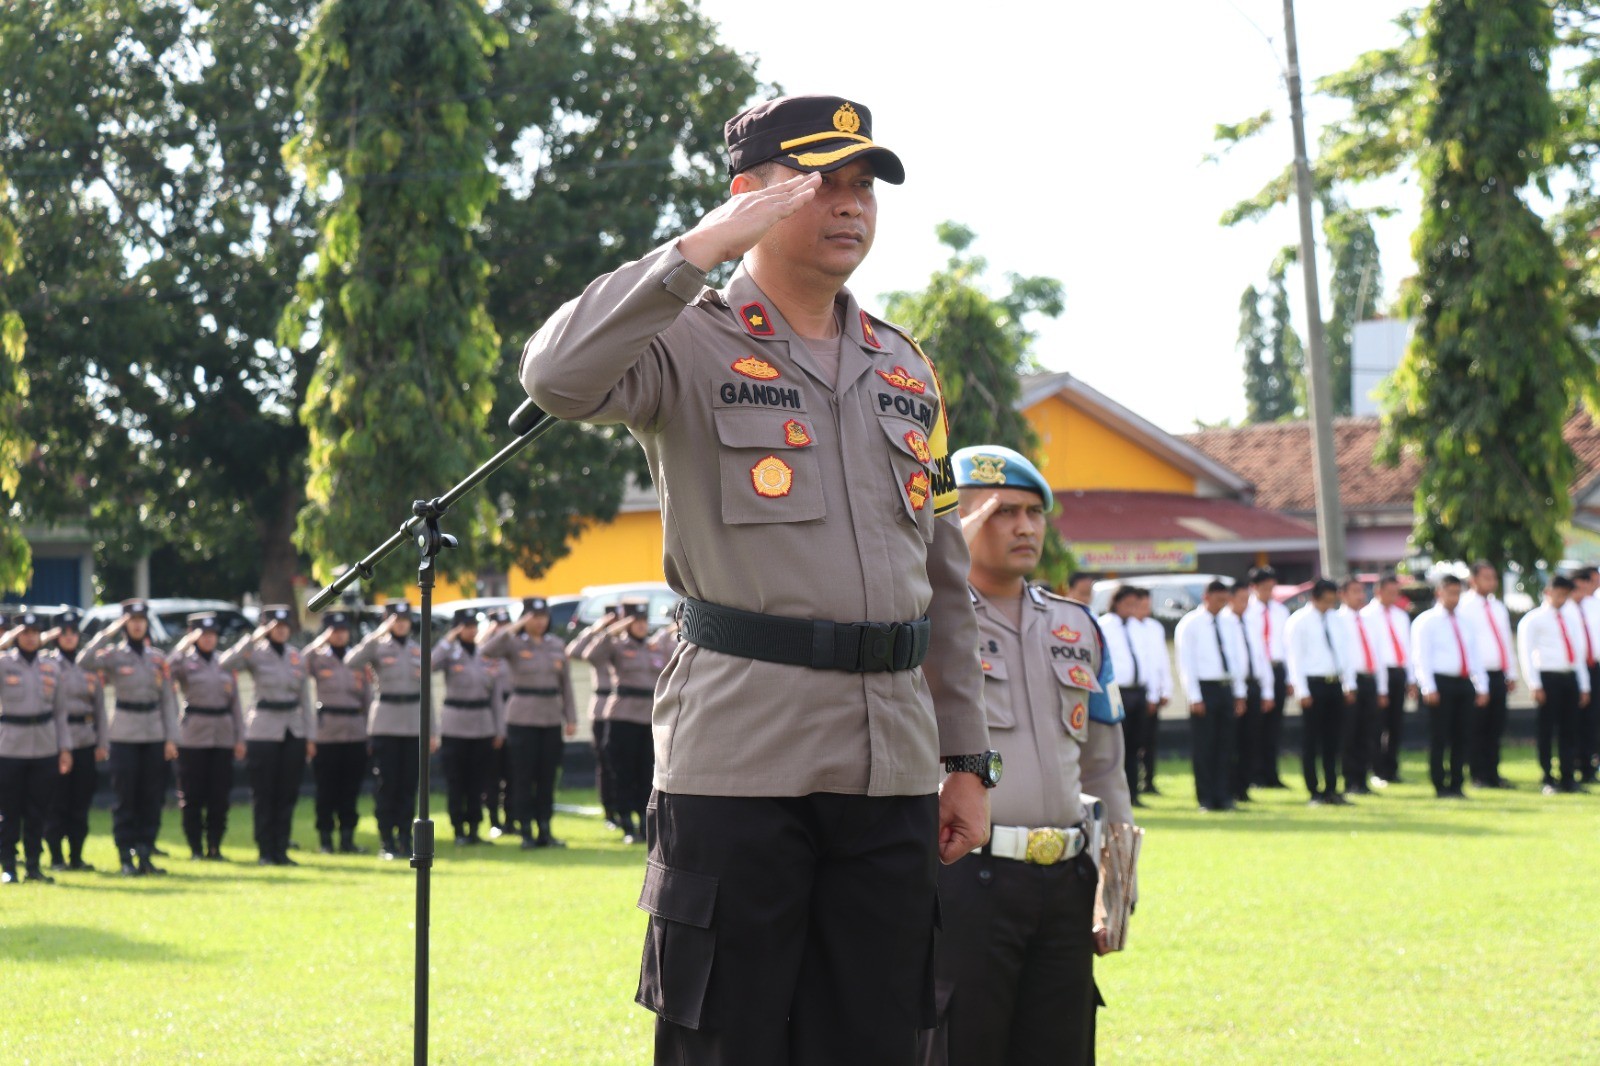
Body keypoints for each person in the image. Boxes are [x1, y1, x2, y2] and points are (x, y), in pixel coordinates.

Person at [521, 92, 991, 1065]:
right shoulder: (685, 339)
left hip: (892, 760)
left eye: (863, 184)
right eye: (819, 182)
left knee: (879, 1038)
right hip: (741, 757)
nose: (849, 204)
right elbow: (555, 376)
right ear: (750, 195)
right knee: (723, 1039)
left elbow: (944, 578)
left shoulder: (905, 370)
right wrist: (694, 249)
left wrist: (967, 758)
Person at [922, 446, 1130, 1066]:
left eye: (1035, 512)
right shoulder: (921, 620)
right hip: (965, 881)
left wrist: (1115, 891)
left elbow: (1106, 768)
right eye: (1002, 511)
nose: (1025, 527)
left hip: (1066, 883)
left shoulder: (1079, 629)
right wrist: (935, 556)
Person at [82, 599, 179, 876]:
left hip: (154, 732)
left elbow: (168, 701)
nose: (137, 625)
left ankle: (146, 854)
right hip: (124, 734)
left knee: (151, 797)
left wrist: (171, 738)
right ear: (125, 624)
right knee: (126, 797)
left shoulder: (158, 658)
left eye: (141, 620)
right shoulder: (114, 655)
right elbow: (84, 660)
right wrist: (108, 632)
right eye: (131, 621)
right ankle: (126, 856)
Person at [220, 604, 314, 866]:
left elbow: (305, 699)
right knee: (264, 793)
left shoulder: (296, 656)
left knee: (287, 792)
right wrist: (255, 637)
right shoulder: (255, 654)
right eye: (275, 627)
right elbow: (225, 663)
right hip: (263, 730)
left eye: (285, 627)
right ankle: (265, 850)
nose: (281, 631)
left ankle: (281, 848)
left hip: (293, 729)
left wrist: (310, 735)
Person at [482, 597, 578, 848]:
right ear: (525, 618)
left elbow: (566, 685)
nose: (540, 621)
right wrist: (514, 627)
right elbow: (487, 649)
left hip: (550, 716)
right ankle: (525, 828)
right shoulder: (513, 643)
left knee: (547, 776)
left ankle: (544, 828)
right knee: (523, 776)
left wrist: (571, 717)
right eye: (534, 616)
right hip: (522, 717)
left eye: (543, 616)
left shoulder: (556, 645)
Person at [571, 600, 665, 844]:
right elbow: (589, 655)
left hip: (648, 718)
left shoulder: (653, 648)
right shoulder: (616, 646)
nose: (642, 627)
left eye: (645, 622)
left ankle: (645, 823)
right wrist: (608, 631)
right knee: (622, 772)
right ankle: (625, 822)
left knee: (646, 772)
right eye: (636, 622)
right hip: (622, 716)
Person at [347, 603, 432, 859]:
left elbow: (427, 692)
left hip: (412, 723)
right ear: (387, 621)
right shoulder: (378, 646)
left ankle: (406, 838)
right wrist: (377, 634)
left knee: (408, 786)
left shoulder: (418, 649)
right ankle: (387, 841)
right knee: (387, 784)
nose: (402, 624)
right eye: (396, 619)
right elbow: (351, 661)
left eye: (405, 619)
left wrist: (432, 731)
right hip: (386, 722)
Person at [0, 609, 73, 884]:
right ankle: (8, 866)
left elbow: (60, 713)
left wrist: (64, 749)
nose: (30, 638)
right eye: (25, 633)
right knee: (9, 811)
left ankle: (33, 865)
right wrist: (7, 639)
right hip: (10, 746)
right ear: (17, 635)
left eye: (34, 633)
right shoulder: (5, 662)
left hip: (44, 745)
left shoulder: (51, 667)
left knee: (37, 810)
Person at [167, 613, 246, 861]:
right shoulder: (185, 662)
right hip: (193, 737)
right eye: (204, 635)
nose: (210, 640)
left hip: (222, 735)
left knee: (219, 796)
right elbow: (166, 669)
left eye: (213, 635)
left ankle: (215, 846)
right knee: (192, 795)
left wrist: (239, 738)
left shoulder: (224, 663)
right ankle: (195, 848)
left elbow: (235, 704)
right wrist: (184, 644)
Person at [1411, 575, 1489, 799]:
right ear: (1439, 593)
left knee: (1462, 736)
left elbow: (1475, 656)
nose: (1455, 598)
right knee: (1440, 736)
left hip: (1463, 683)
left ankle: (1457, 782)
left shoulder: (1465, 622)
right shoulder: (1426, 621)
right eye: (1450, 592)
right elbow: (1421, 657)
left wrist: (1481, 686)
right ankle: (1439, 783)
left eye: (1458, 593)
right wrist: (1428, 686)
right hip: (1440, 683)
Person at [433, 608, 506, 846]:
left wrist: (499, 728)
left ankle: (474, 828)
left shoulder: (485, 654)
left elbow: (495, 694)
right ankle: (458, 830)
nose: (471, 631)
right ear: (456, 628)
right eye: (465, 626)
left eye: (474, 626)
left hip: (482, 724)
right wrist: (447, 640)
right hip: (455, 726)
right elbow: (429, 664)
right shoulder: (449, 654)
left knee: (478, 782)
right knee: (457, 781)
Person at [42, 610, 106, 872]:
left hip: (84, 739)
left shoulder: (88, 667)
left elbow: (100, 709)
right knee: (56, 802)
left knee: (80, 801)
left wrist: (103, 742)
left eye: (73, 632)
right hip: (54, 742)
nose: (69, 638)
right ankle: (57, 857)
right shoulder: (46, 664)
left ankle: (76, 856)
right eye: (63, 632)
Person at [1175, 581, 1247, 812]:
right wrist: (1194, 696)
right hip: (1204, 689)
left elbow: (1236, 658)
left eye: (1224, 599)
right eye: (1217, 599)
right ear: (1206, 597)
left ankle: (1224, 795)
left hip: (1226, 687)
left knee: (1227, 745)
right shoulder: (1190, 624)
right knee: (1204, 745)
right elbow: (1186, 663)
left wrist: (1239, 693)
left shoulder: (1230, 622)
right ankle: (1205, 797)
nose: (1221, 604)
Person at [302, 611, 370, 854]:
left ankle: (348, 839)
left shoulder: (357, 659)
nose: (340, 635)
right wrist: (320, 641)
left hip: (355, 730)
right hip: (327, 733)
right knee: (326, 789)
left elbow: (368, 698)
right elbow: (298, 663)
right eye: (334, 631)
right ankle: (326, 840)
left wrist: (369, 732)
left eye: (343, 631)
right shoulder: (318, 657)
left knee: (350, 789)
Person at [1517, 576, 1590, 794]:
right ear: (1548, 592)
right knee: (1547, 729)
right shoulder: (1533, 619)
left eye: (1565, 595)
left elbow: (1577, 653)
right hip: (1547, 678)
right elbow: (1526, 654)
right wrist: (1534, 684)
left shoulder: (1570, 617)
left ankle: (1568, 776)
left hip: (1569, 677)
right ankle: (1548, 776)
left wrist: (1584, 685)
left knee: (1570, 729)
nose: (1562, 599)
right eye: (1558, 594)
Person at [1286, 580, 1356, 806]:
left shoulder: (1337, 620)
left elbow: (1346, 653)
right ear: (1314, 598)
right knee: (1311, 741)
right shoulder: (1299, 621)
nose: (1330, 604)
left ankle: (1332, 788)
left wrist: (1348, 684)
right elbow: (1295, 658)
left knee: (1333, 740)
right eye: (1326, 600)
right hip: (1313, 685)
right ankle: (1313, 790)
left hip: (1334, 683)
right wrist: (1302, 690)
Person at [1459, 562, 1519, 788]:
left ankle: (1493, 772)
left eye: (1493, 577)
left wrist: (1510, 671)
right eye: (1486, 577)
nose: (1491, 582)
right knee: (1477, 726)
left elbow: (1504, 640)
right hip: (1477, 675)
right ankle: (1478, 774)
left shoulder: (1498, 607)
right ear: (1473, 580)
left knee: (1496, 726)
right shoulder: (1464, 607)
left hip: (1498, 673)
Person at [1335, 578, 1389, 797]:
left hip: (1369, 679)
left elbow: (1379, 655)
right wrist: (1348, 685)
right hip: (1351, 681)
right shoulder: (1337, 621)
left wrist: (1382, 688)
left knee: (1369, 732)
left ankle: (1362, 779)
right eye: (1355, 591)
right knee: (1350, 732)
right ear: (1343, 594)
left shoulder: (1369, 620)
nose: (1360, 595)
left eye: (1361, 591)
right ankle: (1350, 779)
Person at [569, 607, 621, 829]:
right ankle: (609, 810)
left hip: (626, 708)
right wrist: (596, 629)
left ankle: (626, 807)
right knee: (605, 761)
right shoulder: (599, 645)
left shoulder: (627, 645)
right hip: (602, 707)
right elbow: (574, 651)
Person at [1100, 585, 1150, 806]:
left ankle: (1134, 792)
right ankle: (1116, 794)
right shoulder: (1104, 626)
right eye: (1128, 603)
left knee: (1135, 745)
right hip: (1117, 692)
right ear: (1117, 602)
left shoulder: (1138, 627)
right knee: (1117, 745)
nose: (1132, 608)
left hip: (1138, 690)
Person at [1362, 575, 1414, 786]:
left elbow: (1408, 648)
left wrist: (1411, 678)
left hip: (1398, 672)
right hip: (1377, 675)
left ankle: (1391, 769)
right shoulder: (1366, 615)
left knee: (1396, 724)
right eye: (1390, 592)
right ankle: (1376, 769)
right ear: (1378, 591)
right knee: (1376, 724)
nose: (1394, 596)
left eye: (1396, 592)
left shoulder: (1401, 616)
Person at [1242, 567, 1291, 789]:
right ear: (1254, 588)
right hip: (1257, 672)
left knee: (1274, 727)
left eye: (1272, 588)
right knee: (1254, 726)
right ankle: (1253, 774)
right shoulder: (1246, 611)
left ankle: (1272, 774)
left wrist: (1289, 677)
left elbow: (1287, 646)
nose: (1269, 592)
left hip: (1277, 668)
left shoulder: (1280, 611)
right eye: (1264, 588)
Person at [1226, 582, 1274, 804]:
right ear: (1230, 599)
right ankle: (1229, 786)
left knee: (1250, 740)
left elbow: (1261, 657)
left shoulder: (1251, 622)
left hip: (1254, 684)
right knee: (1231, 740)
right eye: (1241, 599)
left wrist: (1267, 690)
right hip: (1237, 687)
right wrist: (1239, 693)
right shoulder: (1225, 623)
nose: (1245, 604)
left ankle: (1244, 786)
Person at [1129, 589, 1172, 796]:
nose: (1146, 610)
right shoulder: (1127, 627)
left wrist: (1164, 689)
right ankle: (1133, 781)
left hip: (1153, 691)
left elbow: (1161, 661)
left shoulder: (1154, 627)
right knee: (1133, 742)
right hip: (1138, 692)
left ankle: (1149, 780)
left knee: (1150, 740)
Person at [1569, 567, 1600, 783]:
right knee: (1574, 720)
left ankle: (1590, 766)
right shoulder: (1567, 610)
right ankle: (1574, 764)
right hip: (1575, 669)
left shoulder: (1594, 606)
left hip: (1595, 667)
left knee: (1593, 720)